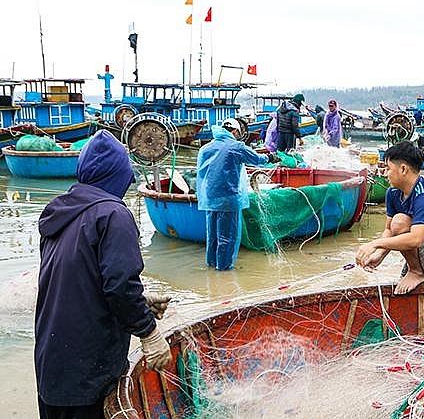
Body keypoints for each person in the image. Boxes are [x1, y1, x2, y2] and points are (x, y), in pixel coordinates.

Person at [35, 130, 172, 419]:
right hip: (87, 372)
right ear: (119, 176)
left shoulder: (58, 214)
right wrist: (149, 333)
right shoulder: (113, 214)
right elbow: (120, 286)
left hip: (51, 367)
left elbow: (79, 283)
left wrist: (139, 302)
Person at [355, 141, 424, 295]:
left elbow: (416, 239)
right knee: (396, 223)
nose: (385, 173)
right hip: (422, 254)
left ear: (403, 169)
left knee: (400, 221)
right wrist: (379, 255)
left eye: (388, 168)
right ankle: (415, 270)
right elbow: (388, 230)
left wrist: (374, 244)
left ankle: (416, 271)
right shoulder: (393, 193)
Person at [197, 119, 280, 271]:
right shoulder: (237, 147)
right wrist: (270, 157)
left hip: (209, 198)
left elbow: (202, 175)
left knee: (212, 236)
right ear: (234, 132)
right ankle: (223, 271)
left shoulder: (205, 148)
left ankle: (211, 267)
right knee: (227, 237)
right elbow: (257, 160)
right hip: (228, 198)